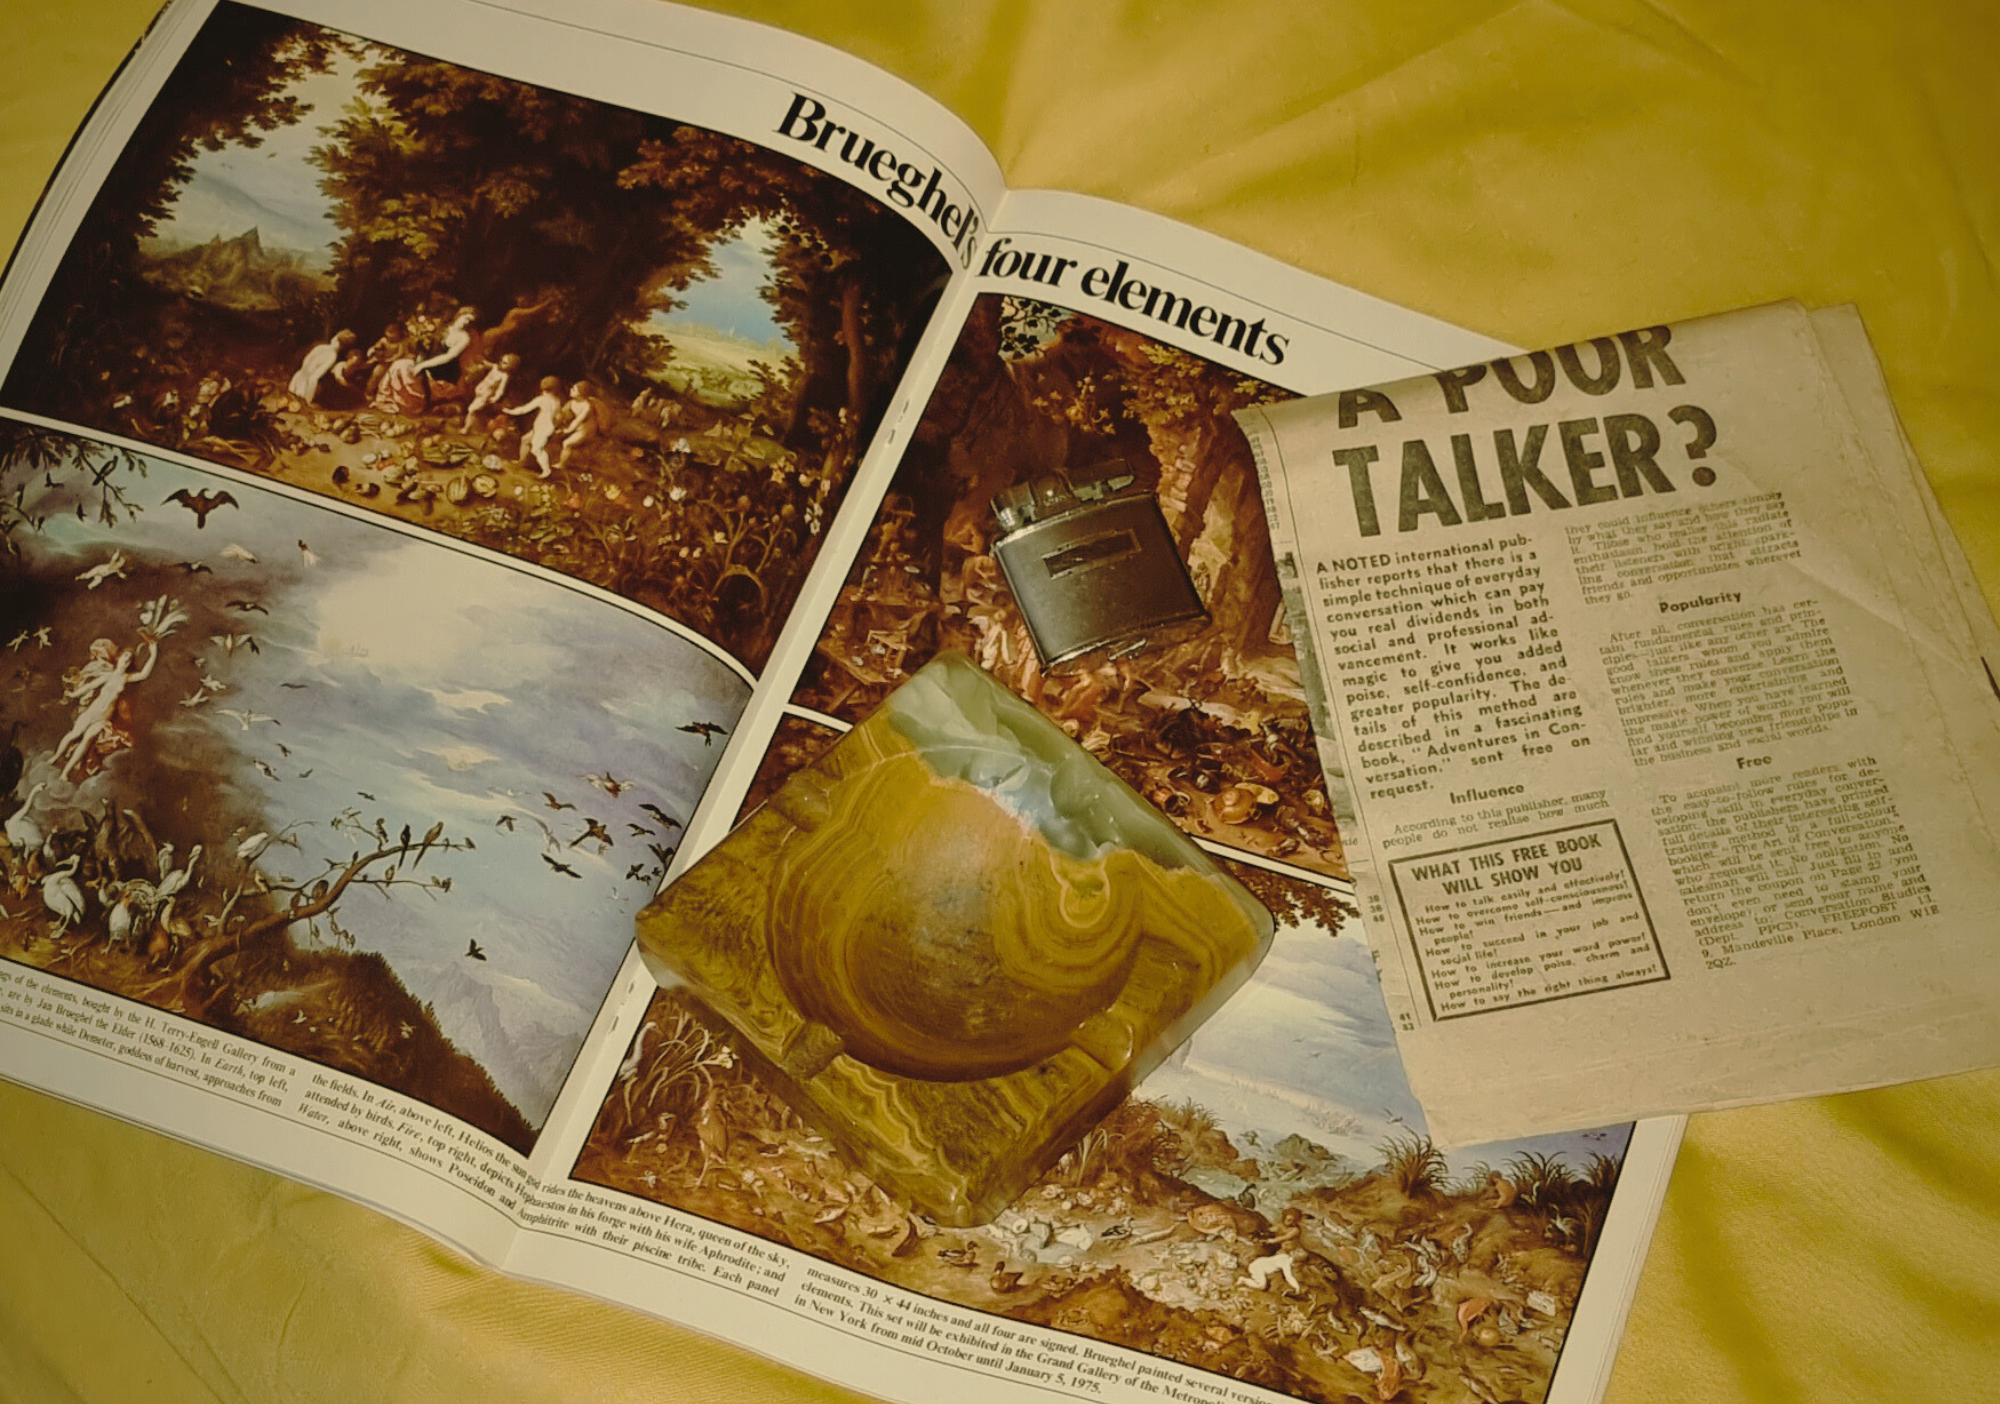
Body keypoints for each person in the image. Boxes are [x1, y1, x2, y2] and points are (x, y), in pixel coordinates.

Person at [52, 634, 159, 781]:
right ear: (119, 658)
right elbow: (90, 685)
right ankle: (55, 757)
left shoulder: (126, 678)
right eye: (124, 657)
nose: (126, 661)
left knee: (86, 742)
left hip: (103, 718)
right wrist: (74, 694)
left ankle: (65, 773)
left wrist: (153, 653)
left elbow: (144, 674)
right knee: (73, 735)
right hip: (92, 712)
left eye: (128, 660)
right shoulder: (108, 676)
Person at [505, 376, 565, 478]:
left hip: (543, 428)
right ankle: (521, 462)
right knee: (525, 440)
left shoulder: (542, 399)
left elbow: (524, 409)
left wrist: (510, 411)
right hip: (543, 427)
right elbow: (558, 416)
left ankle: (546, 470)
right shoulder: (556, 400)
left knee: (537, 449)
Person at [286, 330, 356, 406]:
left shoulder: (327, 352)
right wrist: (308, 400)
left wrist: (308, 399)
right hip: (299, 382)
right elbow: (310, 373)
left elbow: (313, 377)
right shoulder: (325, 351)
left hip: (301, 385)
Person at [461, 353, 519, 435]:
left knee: (472, 410)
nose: (501, 363)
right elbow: (487, 364)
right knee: (473, 410)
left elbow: (501, 390)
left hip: (486, 395)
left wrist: (495, 398)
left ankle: (466, 429)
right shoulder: (495, 367)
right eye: (501, 361)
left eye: (505, 363)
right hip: (480, 389)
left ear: (510, 366)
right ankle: (472, 428)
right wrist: (481, 360)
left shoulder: (505, 376)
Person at [555, 380, 597, 468]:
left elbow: (578, 420)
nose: (570, 390)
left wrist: (567, 431)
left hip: (586, 430)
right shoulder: (572, 402)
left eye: (574, 389)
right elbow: (562, 415)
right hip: (577, 427)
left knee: (566, 443)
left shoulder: (587, 406)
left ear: (581, 393)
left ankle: (561, 465)